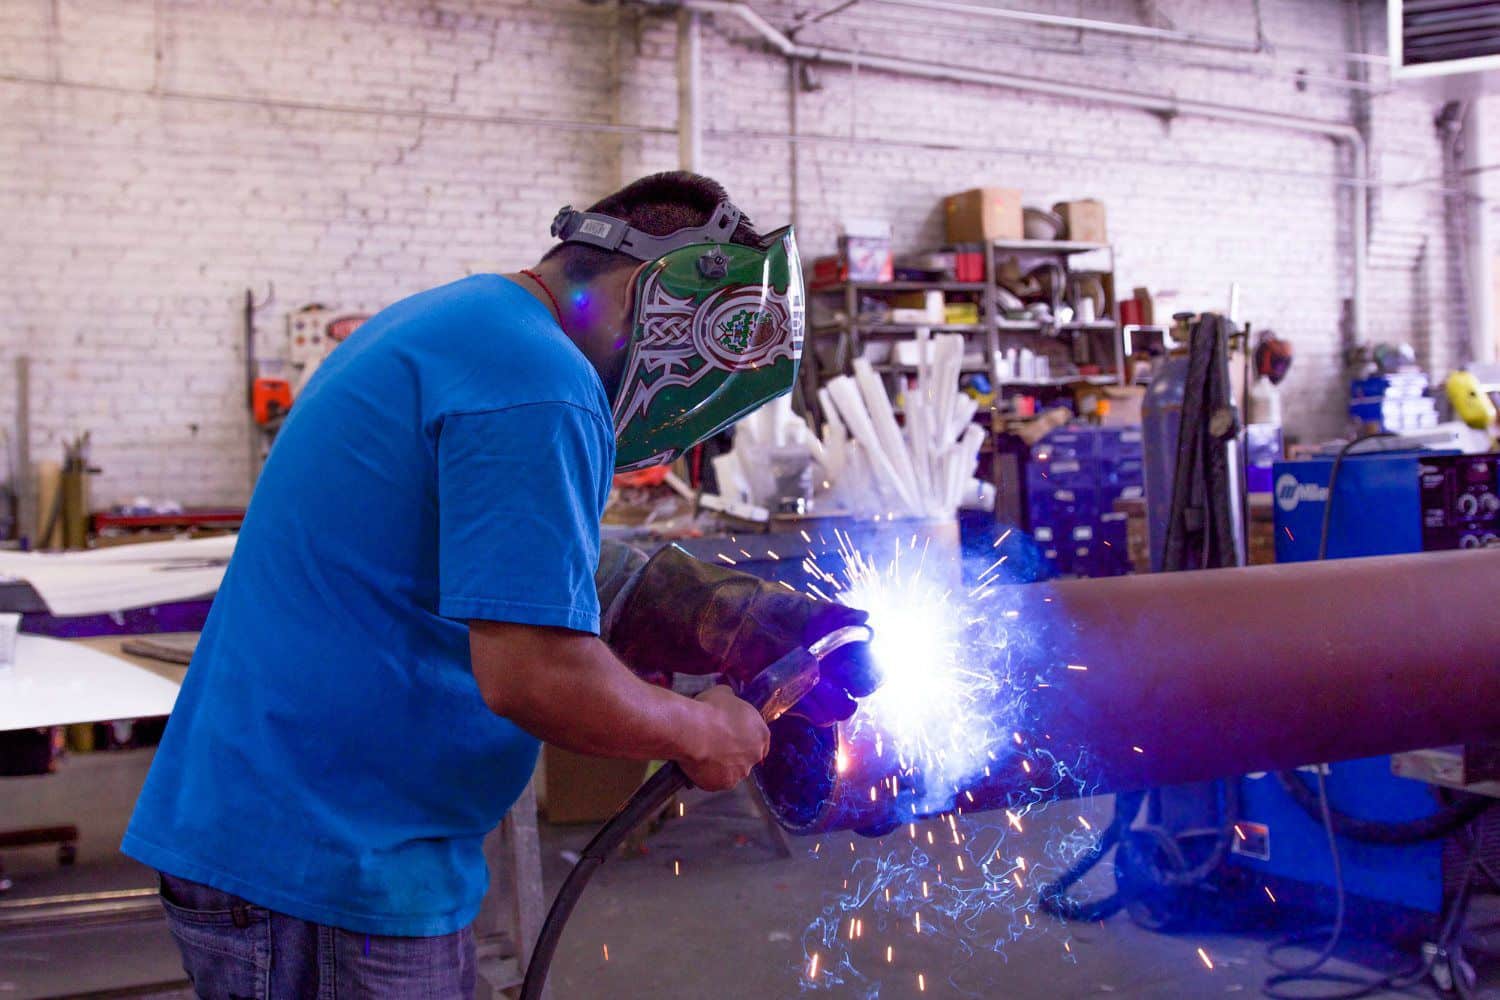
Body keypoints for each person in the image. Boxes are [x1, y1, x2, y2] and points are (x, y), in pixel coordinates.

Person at [122, 171, 874, 998]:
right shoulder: (539, 383)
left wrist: (728, 618)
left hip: (301, 833)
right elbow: (536, 675)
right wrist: (702, 732)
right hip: (332, 862)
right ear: (656, 297)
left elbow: (510, 557)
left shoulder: (466, 327)